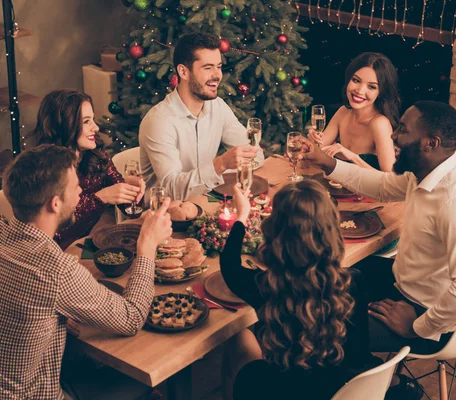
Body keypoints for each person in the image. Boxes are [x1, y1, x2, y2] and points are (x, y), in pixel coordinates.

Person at [0, 145, 172, 399]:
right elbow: (131, 319)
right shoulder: (56, 270)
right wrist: (147, 248)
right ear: (55, 203)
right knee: (149, 381)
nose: (81, 192)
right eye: (76, 187)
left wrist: (55, 314)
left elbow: (8, 294)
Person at [300, 101, 456, 394]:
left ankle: (381, 386)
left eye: (403, 129)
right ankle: (364, 369)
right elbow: (383, 186)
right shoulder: (427, 171)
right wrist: (330, 164)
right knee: (335, 276)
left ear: (430, 143)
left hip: (426, 313)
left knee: (322, 334)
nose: (393, 136)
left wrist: (418, 327)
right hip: (404, 284)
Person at [220, 180, 379, 400]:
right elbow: (360, 355)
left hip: (278, 392)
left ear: (276, 231)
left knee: (238, 337)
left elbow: (229, 268)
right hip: (338, 391)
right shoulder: (352, 281)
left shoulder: (267, 285)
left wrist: (241, 216)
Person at [139, 32, 264, 200]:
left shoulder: (218, 106)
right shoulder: (159, 121)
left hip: (205, 202)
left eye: (218, 66)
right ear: (183, 72)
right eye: (208, 67)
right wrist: (222, 164)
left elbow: (256, 156)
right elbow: (173, 190)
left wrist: (232, 165)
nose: (217, 75)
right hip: (166, 216)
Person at [35, 89, 145, 249]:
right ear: (65, 125)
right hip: (56, 253)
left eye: (92, 119)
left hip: (87, 244)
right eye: (86, 121)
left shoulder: (96, 154)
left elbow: (129, 210)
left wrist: (132, 192)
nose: (96, 128)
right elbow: (55, 233)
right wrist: (99, 198)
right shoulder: (44, 169)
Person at [308, 52, 399, 171]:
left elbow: (389, 180)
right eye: (356, 80)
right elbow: (318, 152)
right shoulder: (343, 111)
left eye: (371, 87)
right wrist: (312, 140)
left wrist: (353, 157)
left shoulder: (379, 124)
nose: (360, 91)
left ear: (381, 92)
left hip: (366, 190)